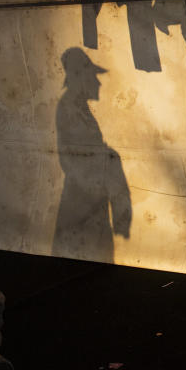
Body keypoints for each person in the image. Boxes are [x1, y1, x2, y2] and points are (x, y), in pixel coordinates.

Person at [52, 48, 131, 261]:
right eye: (92, 75)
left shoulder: (80, 108)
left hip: (92, 201)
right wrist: (107, 156)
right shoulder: (68, 108)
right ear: (78, 75)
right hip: (81, 203)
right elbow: (74, 158)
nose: (98, 82)